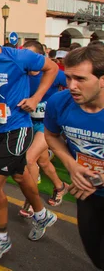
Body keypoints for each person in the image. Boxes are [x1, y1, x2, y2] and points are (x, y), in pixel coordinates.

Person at [0, 16, 60, 262]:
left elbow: (53, 68)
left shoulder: (18, 56)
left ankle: (1, 237)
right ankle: (41, 214)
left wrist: (36, 98)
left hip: (18, 127)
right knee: (19, 174)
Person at [44, 45, 104, 270]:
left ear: (102, 80)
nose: (71, 86)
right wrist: (71, 165)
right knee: (94, 253)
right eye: (68, 77)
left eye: (80, 79)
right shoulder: (59, 102)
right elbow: (51, 135)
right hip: (86, 194)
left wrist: (99, 178)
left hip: (92, 185)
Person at [20, 40, 69, 216]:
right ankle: (60, 186)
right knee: (42, 161)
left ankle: (32, 202)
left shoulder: (54, 73)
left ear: (40, 57)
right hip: (29, 122)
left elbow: (73, 87)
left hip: (48, 125)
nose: (24, 59)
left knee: (29, 158)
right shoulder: (21, 74)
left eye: (29, 55)